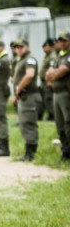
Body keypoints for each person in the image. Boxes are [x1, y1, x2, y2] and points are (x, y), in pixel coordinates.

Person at [10, 39, 40, 161]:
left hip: (29, 96)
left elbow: (30, 75)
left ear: (27, 46)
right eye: (16, 47)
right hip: (23, 96)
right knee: (23, 124)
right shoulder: (20, 59)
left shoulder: (29, 59)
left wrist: (18, 88)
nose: (18, 49)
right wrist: (16, 95)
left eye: (21, 47)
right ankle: (28, 151)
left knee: (28, 123)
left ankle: (31, 153)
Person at [46, 32, 70, 162]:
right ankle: (65, 152)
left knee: (68, 123)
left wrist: (53, 74)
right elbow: (48, 74)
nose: (62, 43)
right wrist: (54, 73)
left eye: (65, 40)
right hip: (56, 93)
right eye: (60, 41)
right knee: (60, 125)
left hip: (66, 93)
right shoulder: (59, 56)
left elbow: (62, 71)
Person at [40, 38, 57, 121]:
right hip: (44, 81)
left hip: (48, 81)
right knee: (45, 99)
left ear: (51, 47)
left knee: (48, 98)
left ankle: (52, 115)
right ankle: (49, 114)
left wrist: (50, 81)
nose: (44, 48)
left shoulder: (52, 56)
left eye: (46, 46)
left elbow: (52, 69)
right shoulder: (47, 56)